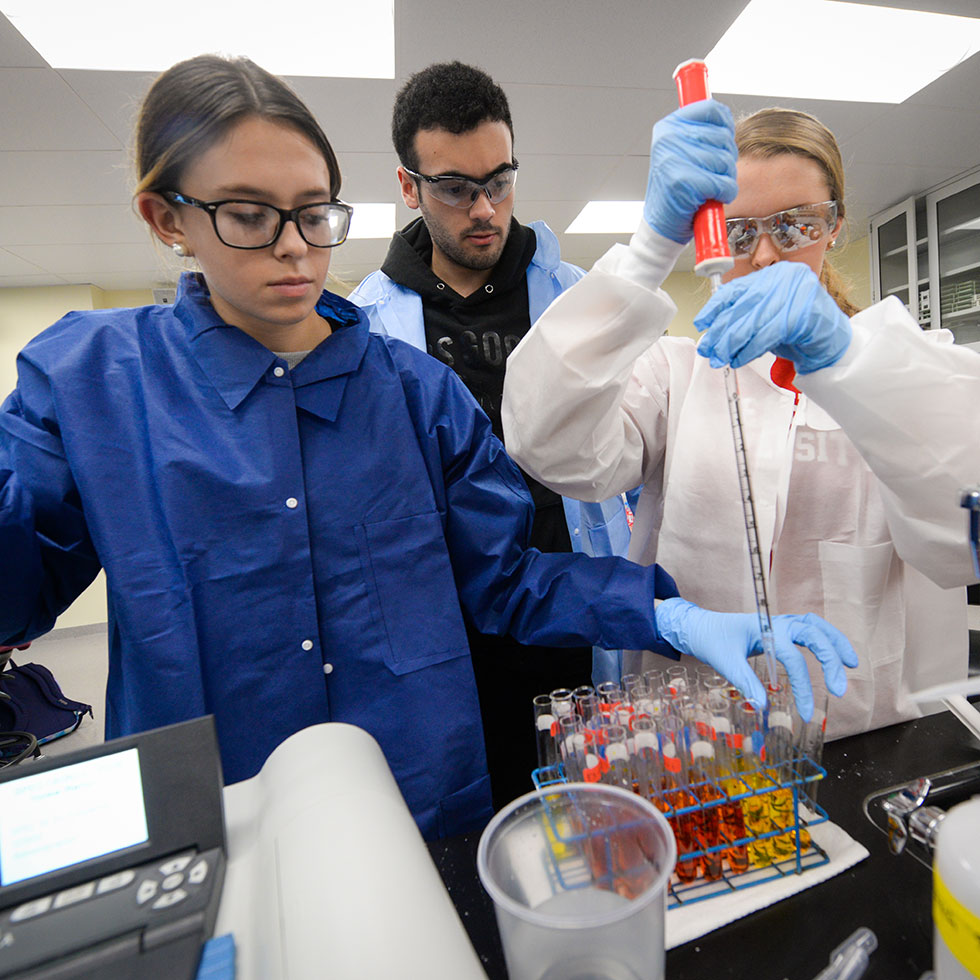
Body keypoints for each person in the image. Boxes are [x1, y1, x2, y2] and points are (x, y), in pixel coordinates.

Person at [0, 56, 855, 842]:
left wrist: (663, 611)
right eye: (251, 216)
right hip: (218, 810)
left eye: (313, 213)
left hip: (416, 794)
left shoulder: (412, 389)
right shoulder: (89, 384)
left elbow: (505, 575)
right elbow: (15, 592)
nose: (296, 246)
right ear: (166, 219)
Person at [502, 100, 980, 740]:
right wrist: (648, 251)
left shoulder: (904, 368)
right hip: (700, 735)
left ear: (834, 223)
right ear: (711, 235)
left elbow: (963, 529)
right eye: (739, 230)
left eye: (794, 226)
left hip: (859, 731)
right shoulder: (675, 372)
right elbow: (545, 444)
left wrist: (847, 361)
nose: (762, 258)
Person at [349, 61, 632, 807]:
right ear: (408, 187)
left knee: (592, 810)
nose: (484, 208)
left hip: (574, 600)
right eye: (454, 188)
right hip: (451, 620)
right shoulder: (366, 325)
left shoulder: (572, 297)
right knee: (479, 813)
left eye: (499, 181)